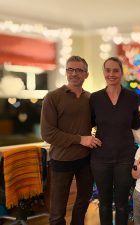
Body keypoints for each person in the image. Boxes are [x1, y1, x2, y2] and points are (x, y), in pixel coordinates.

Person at [41, 55, 101, 225]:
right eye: (70, 69)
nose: (74, 73)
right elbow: (47, 133)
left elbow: (101, 123)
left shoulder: (91, 99)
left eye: (79, 70)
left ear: (86, 74)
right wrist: (80, 139)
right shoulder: (52, 97)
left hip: (86, 161)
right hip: (61, 161)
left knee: (82, 203)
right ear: (66, 72)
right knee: (57, 211)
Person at [90, 56, 140, 225]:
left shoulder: (132, 97)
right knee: (104, 204)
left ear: (121, 73)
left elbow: (138, 124)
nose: (111, 74)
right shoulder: (95, 98)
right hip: (100, 159)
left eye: (115, 70)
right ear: (103, 73)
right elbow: (87, 124)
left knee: (122, 204)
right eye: (108, 70)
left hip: (125, 158)